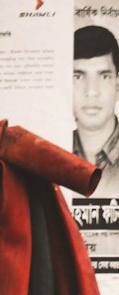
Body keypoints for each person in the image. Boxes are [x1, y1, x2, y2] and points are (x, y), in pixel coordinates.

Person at [73, 25, 119, 197]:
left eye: (104, 76)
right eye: (78, 76)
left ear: (117, 86)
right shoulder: (51, 153)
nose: (91, 91)